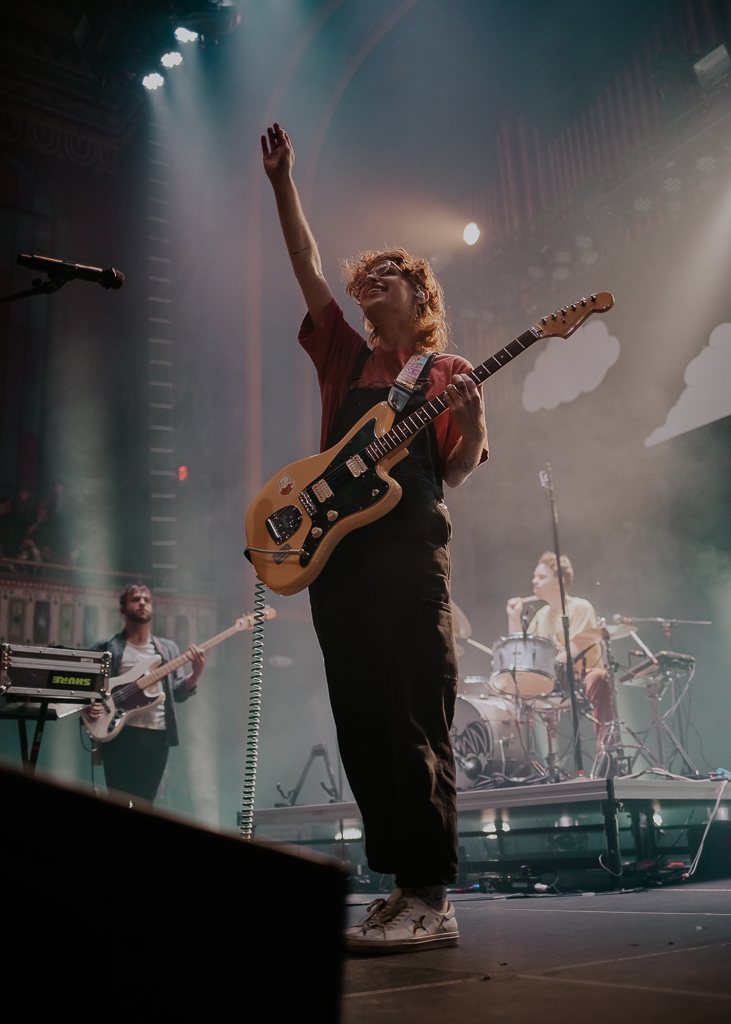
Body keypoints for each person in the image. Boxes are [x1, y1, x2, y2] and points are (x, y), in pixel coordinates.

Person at [261, 123, 489, 953]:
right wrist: (283, 183)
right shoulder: (344, 359)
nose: (370, 285)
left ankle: (433, 891)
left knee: (413, 712)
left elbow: (459, 470)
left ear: (418, 296)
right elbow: (303, 265)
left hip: (408, 550)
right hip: (338, 556)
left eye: (388, 275)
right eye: (367, 278)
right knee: (360, 717)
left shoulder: (444, 372)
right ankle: (400, 887)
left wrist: (473, 416)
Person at [86, 584, 206, 804]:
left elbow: (178, 693)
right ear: (122, 610)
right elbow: (85, 686)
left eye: (146, 600)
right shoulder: (107, 647)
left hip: (157, 735)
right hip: (118, 733)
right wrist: (90, 704)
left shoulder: (167, 649)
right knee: (117, 798)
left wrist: (195, 675)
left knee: (146, 802)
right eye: (135, 599)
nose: (142, 602)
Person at [506, 552, 613, 747]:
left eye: (541, 577)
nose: (534, 581)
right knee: (515, 689)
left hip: (582, 675)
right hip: (553, 677)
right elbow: (520, 651)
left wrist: (546, 669)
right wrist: (513, 617)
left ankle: (607, 748)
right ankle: (522, 754)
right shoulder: (541, 615)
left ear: (559, 581)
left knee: (599, 679)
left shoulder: (581, 607)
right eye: (535, 576)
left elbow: (575, 650)